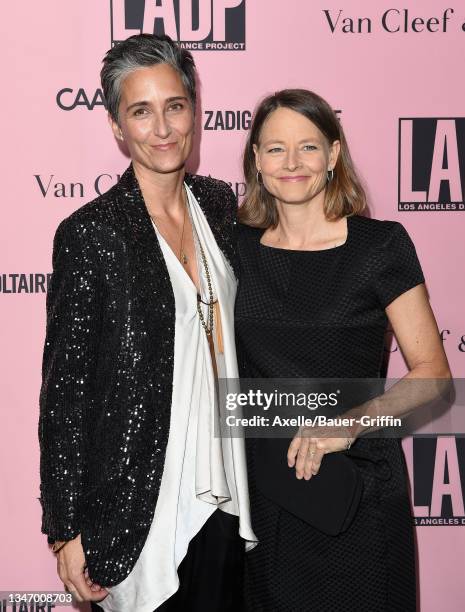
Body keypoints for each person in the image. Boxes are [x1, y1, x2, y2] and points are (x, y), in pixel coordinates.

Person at [38, 33, 256, 612]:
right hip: (139, 508)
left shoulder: (221, 207)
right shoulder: (90, 234)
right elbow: (65, 391)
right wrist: (65, 528)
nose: (162, 128)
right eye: (141, 111)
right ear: (116, 125)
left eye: (175, 106)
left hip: (230, 496)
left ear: (195, 112)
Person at [234, 89, 451, 611]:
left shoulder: (379, 247)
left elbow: (432, 373)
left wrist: (350, 424)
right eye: (275, 148)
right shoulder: (232, 250)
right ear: (257, 162)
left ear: (333, 156)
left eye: (308, 147)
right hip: (264, 497)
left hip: (357, 487)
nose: (292, 163)